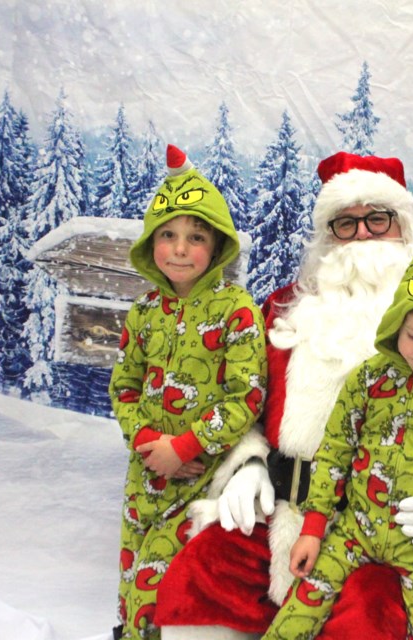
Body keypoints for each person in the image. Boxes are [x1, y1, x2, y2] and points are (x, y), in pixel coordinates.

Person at [157, 152, 413, 640]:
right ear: (328, 237)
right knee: (203, 571)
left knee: (370, 615)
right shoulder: (286, 306)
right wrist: (248, 464)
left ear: (405, 226)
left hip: (394, 534)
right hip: (285, 512)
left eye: (377, 219)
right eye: (346, 224)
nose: (363, 235)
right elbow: (244, 398)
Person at [265, 224, 413, 639]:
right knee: (296, 614)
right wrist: (313, 528)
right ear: (397, 323)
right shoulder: (368, 379)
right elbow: (335, 452)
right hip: (354, 529)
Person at [109, 144, 268, 639]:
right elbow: (124, 386)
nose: (180, 248)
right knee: (133, 580)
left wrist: (186, 446)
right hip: (146, 473)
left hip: (200, 478)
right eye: (168, 235)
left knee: (170, 586)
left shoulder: (237, 311)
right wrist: (149, 445)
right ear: (151, 243)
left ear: (217, 247)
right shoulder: (143, 311)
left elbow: (246, 396)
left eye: (195, 237)